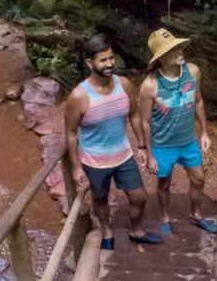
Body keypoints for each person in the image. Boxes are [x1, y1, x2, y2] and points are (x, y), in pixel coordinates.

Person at [64, 34, 162, 249]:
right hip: (95, 161)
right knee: (100, 200)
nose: (109, 64)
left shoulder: (124, 84)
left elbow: (134, 115)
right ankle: (107, 232)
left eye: (111, 58)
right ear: (90, 63)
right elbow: (71, 133)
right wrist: (76, 167)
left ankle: (136, 230)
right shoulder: (78, 96)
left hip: (123, 156)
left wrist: (142, 146)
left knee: (140, 197)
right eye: (103, 60)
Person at [139, 28, 217, 236]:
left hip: (188, 141)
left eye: (178, 47)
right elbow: (145, 122)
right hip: (163, 145)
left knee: (199, 179)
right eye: (173, 50)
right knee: (164, 182)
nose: (180, 51)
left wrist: (205, 132)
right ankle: (165, 217)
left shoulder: (193, 72)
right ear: (162, 58)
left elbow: (198, 101)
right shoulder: (150, 85)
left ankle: (196, 215)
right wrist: (148, 154)